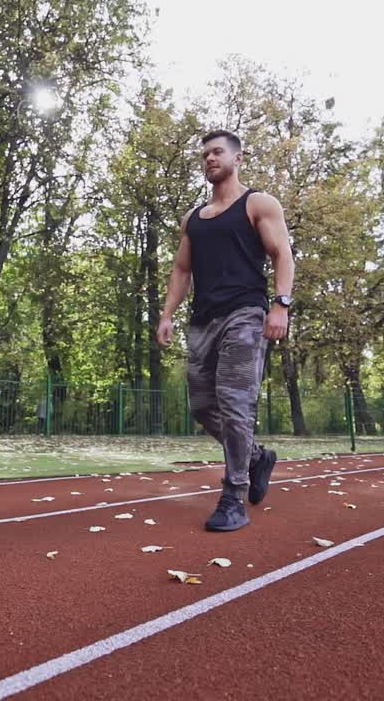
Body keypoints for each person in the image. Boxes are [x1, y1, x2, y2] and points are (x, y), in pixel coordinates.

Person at [156, 129, 295, 532]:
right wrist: (167, 314)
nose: (210, 159)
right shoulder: (194, 218)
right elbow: (182, 270)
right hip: (203, 320)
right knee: (202, 407)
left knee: (236, 404)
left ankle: (234, 495)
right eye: (205, 155)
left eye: (217, 152)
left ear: (237, 158)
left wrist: (280, 305)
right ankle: (255, 456)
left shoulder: (258, 203)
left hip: (246, 315)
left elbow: (282, 253)